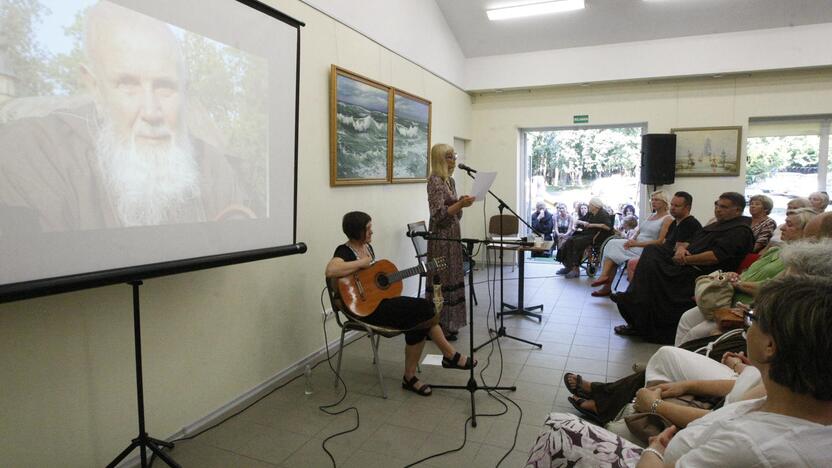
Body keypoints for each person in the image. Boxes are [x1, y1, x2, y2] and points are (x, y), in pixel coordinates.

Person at [528, 276, 832, 468]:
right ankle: (622, 404)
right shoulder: (791, 405)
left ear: (770, 346)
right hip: (683, 441)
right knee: (665, 358)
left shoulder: (752, 446)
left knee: (559, 427)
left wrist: (655, 451)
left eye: (751, 319)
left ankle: (626, 408)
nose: (745, 324)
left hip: (661, 455)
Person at [0, 2, 250, 231]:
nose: (151, 112)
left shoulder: (212, 164)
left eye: (165, 86)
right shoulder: (34, 153)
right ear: (94, 86)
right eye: (128, 84)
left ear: (184, 89)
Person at [325, 211, 475, 397]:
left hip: (378, 302)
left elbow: (371, 280)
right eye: (368, 229)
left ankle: (421, 371)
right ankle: (444, 359)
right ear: (357, 232)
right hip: (363, 310)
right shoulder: (344, 251)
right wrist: (361, 262)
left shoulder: (368, 248)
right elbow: (331, 270)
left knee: (422, 314)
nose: (372, 232)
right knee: (422, 313)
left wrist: (369, 267)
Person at [612, 192, 754, 344]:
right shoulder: (717, 225)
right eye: (717, 205)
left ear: (738, 210)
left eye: (724, 207)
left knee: (652, 263)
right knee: (652, 253)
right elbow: (689, 242)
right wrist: (681, 250)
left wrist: (686, 259)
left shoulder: (740, 231)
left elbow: (715, 257)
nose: (718, 209)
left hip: (700, 273)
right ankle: (635, 303)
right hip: (686, 262)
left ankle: (636, 304)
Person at [675, 207, 816, 345]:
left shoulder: (800, 262)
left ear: (806, 231)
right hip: (727, 297)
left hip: (746, 306)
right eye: (785, 222)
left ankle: (681, 360)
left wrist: (737, 283)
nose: (783, 227)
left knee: (695, 334)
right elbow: (749, 272)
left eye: (789, 225)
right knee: (686, 318)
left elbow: (772, 288)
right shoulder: (774, 250)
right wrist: (734, 276)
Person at [425, 143, 474, 340]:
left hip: (453, 236)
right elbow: (438, 216)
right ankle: (436, 325)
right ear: (439, 159)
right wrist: (459, 204)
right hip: (440, 239)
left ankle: (450, 323)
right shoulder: (434, 181)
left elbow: (454, 213)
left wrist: (459, 202)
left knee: (453, 277)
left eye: (454, 156)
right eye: (449, 156)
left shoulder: (450, 181)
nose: (454, 160)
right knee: (441, 280)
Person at [590, 191, 673, 297]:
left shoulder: (667, 219)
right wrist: (631, 240)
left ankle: (605, 282)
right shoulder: (651, 216)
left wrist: (637, 243)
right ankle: (604, 278)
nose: (653, 202)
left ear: (664, 202)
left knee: (613, 250)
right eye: (652, 199)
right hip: (636, 244)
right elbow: (639, 232)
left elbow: (660, 241)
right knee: (611, 243)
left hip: (647, 248)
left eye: (656, 200)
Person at [556, 197, 613, 278]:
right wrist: (583, 222)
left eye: (590, 205)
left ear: (595, 205)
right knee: (569, 240)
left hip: (596, 236)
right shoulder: (590, 213)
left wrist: (592, 225)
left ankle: (576, 269)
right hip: (587, 233)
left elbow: (608, 227)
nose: (589, 206)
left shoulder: (603, 213)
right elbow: (578, 221)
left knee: (576, 242)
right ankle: (569, 267)